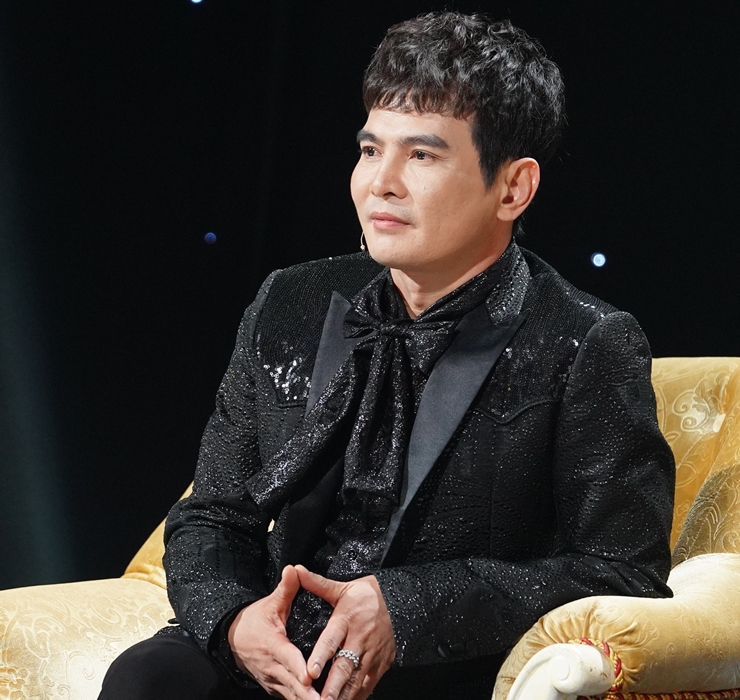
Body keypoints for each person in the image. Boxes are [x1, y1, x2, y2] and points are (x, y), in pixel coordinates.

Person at [98, 11, 675, 700]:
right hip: (276, 644)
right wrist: (234, 620)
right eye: (371, 150)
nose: (382, 182)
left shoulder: (585, 341)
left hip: (435, 663)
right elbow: (213, 511)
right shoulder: (291, 301)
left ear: (513, 188)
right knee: (148, 678)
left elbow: (624, 572)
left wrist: (406, 609)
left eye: (421, 156)